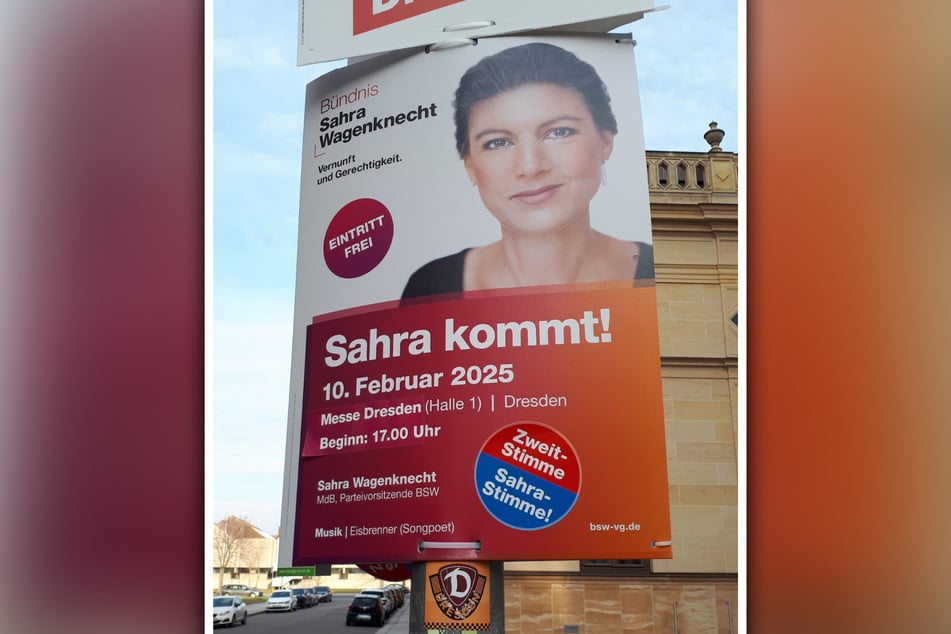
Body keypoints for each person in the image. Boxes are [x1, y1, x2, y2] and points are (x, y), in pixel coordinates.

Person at [401, 42, 653, 301]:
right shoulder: (430, 287)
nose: (531, 167)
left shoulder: (650, 273)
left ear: (605, 141)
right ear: (470, 165)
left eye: (558, 132)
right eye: (497, 142)